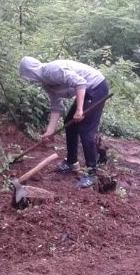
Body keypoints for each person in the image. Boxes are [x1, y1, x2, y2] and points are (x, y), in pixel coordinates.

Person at [18, 56, 109, 189]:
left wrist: (79, 110)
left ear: (30, 72)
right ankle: (72, 162)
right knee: (70, 123)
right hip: (86, 90)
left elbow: (80, 83)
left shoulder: (51, 71)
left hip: (96, 87)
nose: (29, 80)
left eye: (27, 76)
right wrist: (50, 131)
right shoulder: (46, 83)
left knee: (85, 130)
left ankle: (91, 173)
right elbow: (56, 107)